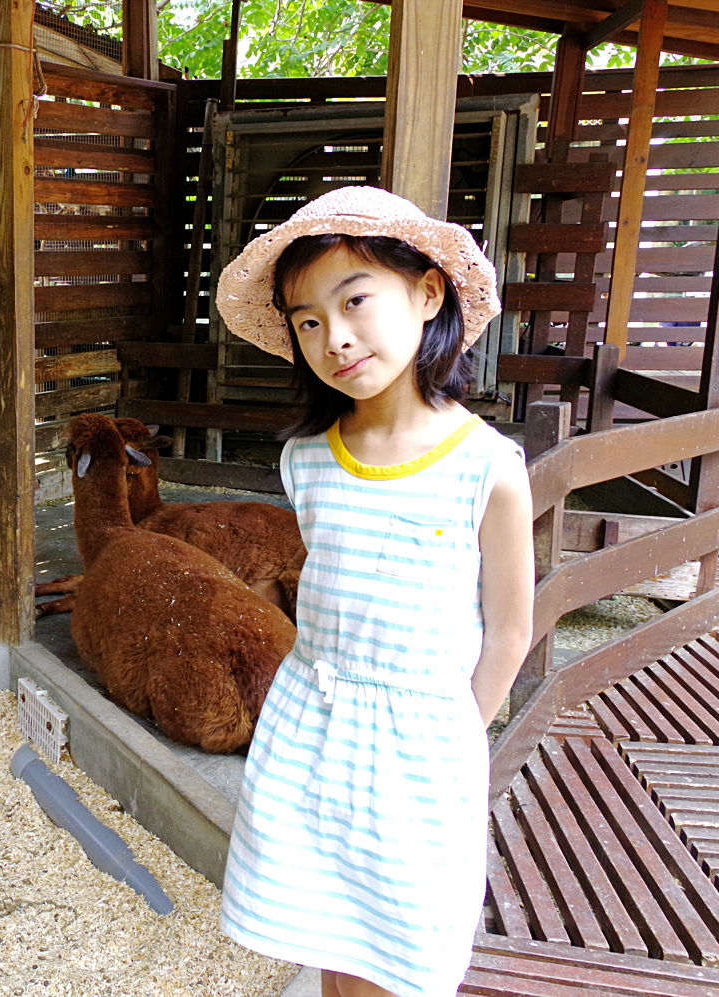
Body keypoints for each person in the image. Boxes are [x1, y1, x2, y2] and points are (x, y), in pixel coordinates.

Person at [214, 186, 534, 997]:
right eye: (308, 320)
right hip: (311, 735)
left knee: (407, 953)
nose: (335, 336)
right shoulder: (309, 460)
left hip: (421, 750)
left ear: (427, 293)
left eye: (355, 300)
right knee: (332, 939)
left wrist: (454, 732)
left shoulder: (485, 464)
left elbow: (507, 630)